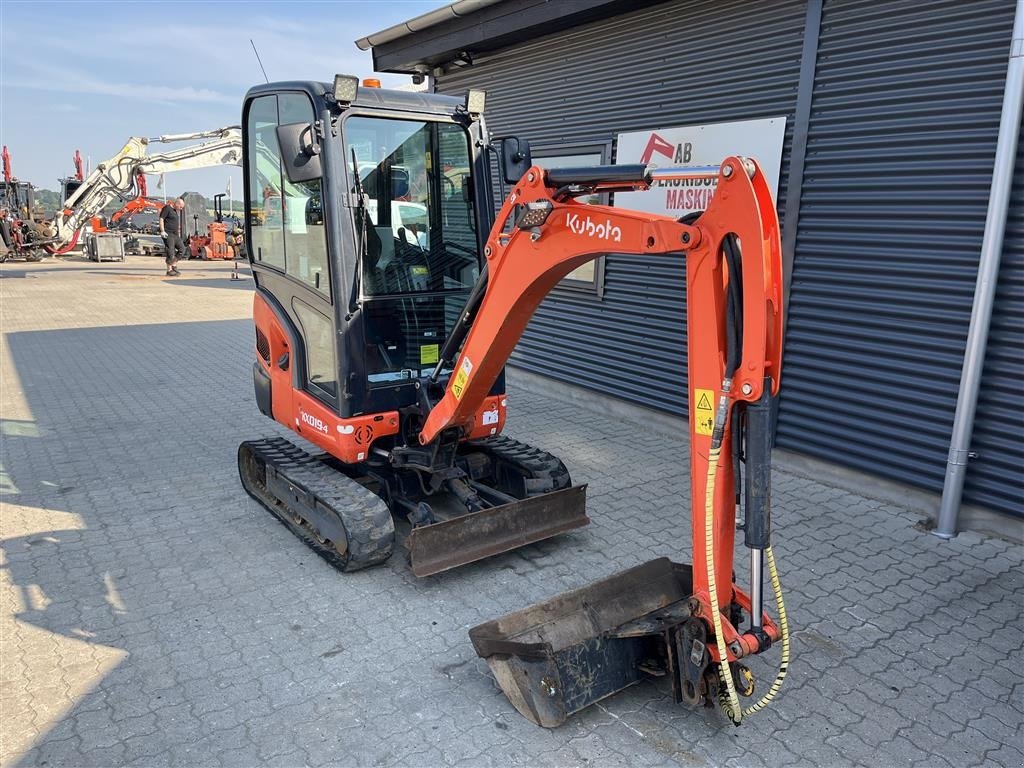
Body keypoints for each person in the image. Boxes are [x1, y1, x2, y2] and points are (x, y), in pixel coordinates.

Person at [159, 197, 186, 276]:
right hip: (168, 234)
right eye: (180, 207)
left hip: (175, 235)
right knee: (170, 252)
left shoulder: (175, 211)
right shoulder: (167, 208)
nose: (181, 209)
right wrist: (162, 231)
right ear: (177, 204)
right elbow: (161, 219)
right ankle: (169, 270)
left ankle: (173, 264)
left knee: (182, 249)